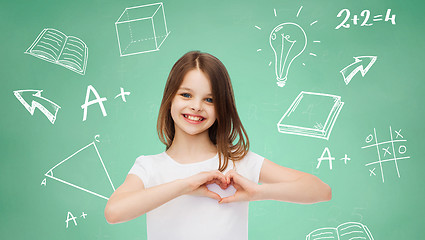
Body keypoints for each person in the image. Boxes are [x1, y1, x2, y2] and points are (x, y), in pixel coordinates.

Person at [104, 51, 331, 240]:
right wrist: (184, 185)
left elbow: (321, 190)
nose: (196, 106)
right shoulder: (149, 167)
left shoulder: (239, 161)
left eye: (209, 100)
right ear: (170, 99)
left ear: (222, 107)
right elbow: (114, 212)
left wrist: (259, 191)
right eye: (186, 95)